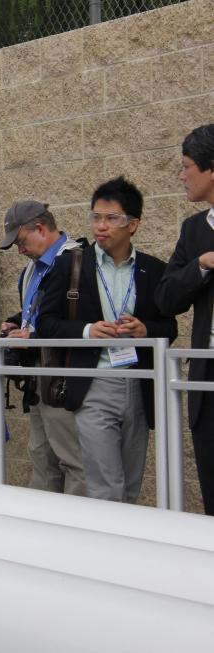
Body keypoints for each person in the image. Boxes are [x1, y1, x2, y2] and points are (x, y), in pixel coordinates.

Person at [37, 177, 177, 503]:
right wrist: (87, 331)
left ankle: (124, 549)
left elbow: (169, 326)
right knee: (104, 485)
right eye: (96, 217)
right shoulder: (70, 265)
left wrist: (146, 330)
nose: (101, 226)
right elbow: (44, 324)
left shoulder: (153, 270)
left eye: (111, 218)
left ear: (133, 225)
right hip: (94, 382)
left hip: (140, 382)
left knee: (130, 484)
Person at [0, 201, 85, 495]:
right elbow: (34, 312)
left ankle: (77, 532)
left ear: (40, 228)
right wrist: (14, 324)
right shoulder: (30, 270)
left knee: (72, 458)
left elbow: (76, 319)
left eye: (21, 242)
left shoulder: (77, 261)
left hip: (63, 370)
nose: (20, 251)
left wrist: (32, 334)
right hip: (36, 372)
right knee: (41, 455)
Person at [155, 123, 214, 515]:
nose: (181, 175)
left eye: (187, 166)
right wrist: (202, 265)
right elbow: (165, 298)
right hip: (208, 381)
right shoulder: (194, 231)